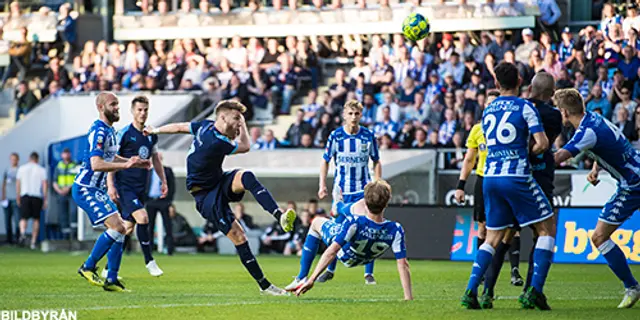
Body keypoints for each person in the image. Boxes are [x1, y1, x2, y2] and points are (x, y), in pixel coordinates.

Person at [144, 100, 296, 295]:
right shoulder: (216, 142)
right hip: (205, 196)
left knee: (246, 176)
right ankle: (264, 285)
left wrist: (156, 130)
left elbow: (181, 127)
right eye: (236, 119)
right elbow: (245, 146)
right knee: (239, 236)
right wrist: (244, 125)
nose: (239, 125)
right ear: (222, 117)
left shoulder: (205, 125)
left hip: (219, 181)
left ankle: (279, 215)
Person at [461, 62, 555, 310]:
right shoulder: (526, 107)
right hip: (516, 177)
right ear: (520, 80)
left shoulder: (488, 111)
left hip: (489, 178)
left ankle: (471, 290)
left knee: (491, 239)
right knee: (547, 229)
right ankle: (534, 290)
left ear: (495, 84)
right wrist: (526, 153)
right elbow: (542, 143)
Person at [553, 88, 640, 308]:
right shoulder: (594, 118)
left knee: (599, 237)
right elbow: (606, 144)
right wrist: (596, 167)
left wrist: (531, 155)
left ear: (564, 112)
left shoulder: (585, 132)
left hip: (633, 185)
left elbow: (561, 156)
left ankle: (632, 287)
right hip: (635, 174)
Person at [74, 92, 150, 292]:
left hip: (96, 189)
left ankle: (112, 279)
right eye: (113, 104)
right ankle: (88, 266)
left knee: (122, 229)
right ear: (101, 107)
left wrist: (132, 162)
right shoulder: (98, 132)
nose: (117, 107)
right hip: (86, 188)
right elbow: (96, 163)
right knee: (117, 228)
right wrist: (125, 168)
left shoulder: (109, 130)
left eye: (117, 104)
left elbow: (110, 156)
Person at [288, 180, 413, 301]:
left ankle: (302, 277)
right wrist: (408, 297)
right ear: (387, 203)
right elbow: (403, 265)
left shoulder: (354, 222)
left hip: (346, 255)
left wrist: (311, 280)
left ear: (366, 201)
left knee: (316, 222)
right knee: (353, 213)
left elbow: (331, 252)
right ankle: (339, 207)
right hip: (365, 259)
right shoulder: (396, 229)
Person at [317, 100, 382, 285]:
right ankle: (330, 270)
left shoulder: (368, 136)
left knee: (370, 229)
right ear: (344, 115)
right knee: (338, 230)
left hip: (363, 190)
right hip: (342, 192)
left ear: (361, 116)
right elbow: (325, 160)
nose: (353, 117)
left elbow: (376, 160)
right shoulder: (336, 136)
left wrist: (378, 183)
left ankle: (368, 274)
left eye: (357, 114)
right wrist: (322, 184)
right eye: (350, 114)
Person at [102, 95, 166, 278]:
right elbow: (111, 159)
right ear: (132, 111)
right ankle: (149, 261)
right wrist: (110, 185)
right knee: (143, 218)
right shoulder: (124, 133)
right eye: (139, 110)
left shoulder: (150, 136)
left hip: (141, 188)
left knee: (126, 229)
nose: (142, 113)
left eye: (145, 110)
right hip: (125, 187)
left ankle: (107, 268)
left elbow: (155, 159)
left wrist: (163, 180)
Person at [454, 91, 498, 266]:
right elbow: (469, 159)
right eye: (488, 104)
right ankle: (481, 266)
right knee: (483, 226)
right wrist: (460, 185)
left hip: (504, 179)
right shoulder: (478, 129)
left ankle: (513, 269)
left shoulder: (509, 129)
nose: (490, 107)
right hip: (483, 179)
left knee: (509, 227)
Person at [145, 154, 176, 255]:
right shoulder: (148, 172)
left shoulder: (167, 171)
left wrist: (169, 202)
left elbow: (172, 187)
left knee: (168, 226)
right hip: (150, 201)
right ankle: (149, 250)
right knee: (149, 226)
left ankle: (170, 249)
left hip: (163, 202)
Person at [16, 152, 47, 250]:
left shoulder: (22, 169)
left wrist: (18, 196)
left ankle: (23, 233)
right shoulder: (41, 170)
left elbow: (18, 183)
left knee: (23, 218)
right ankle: (33, 242)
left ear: (29, 158)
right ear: (37, 159)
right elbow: (44, 185)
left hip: (25, 195)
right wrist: (45, 199)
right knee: (36, 219)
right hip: (36, 196)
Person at [52, 148, 78, 240]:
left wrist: (68, 187)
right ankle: (65, 237)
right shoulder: (59, 166)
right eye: (64, 153)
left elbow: (77, 179)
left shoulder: (75, 165)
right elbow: (54, 181)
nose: (66, 155)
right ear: (62, 155)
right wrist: (59, 190)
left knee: (73, 212)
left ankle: (74, 235)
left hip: (72, 193)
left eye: (68, 153)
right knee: (62, 214)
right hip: (61, 193)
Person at [2, 153, 20, 244]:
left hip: (16, 198)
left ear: (18, 160)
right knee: (7, 220)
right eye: (12, 159)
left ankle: (18, 238)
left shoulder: (20, 171)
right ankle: (9, 239)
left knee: (17, 220)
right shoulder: (7, 170)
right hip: (7, 199)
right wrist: (3, 196)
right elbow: (4, 183)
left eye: (15, 159)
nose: (13, 161)